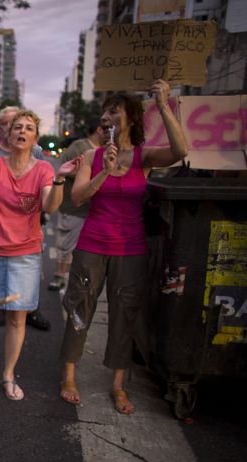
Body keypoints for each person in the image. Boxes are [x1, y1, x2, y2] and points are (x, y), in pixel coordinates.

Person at [58, 80, 188, 414]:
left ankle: (118, 384)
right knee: (79, 307)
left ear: (130, 118)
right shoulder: (92, 156)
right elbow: (78, 197)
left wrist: (163, 104)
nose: (105, 118)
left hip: (130, 249)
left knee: (125, 314)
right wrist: (105, 171)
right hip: (92, 245)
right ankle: (69, 376)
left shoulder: (145, 156)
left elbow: (181, 150)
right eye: (104, 113)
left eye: (113, 112)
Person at [0, 111, 80, 398]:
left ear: (35, 138)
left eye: (28, 128)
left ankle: (8, 375)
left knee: (17, 319)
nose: (22, 131)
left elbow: (50, 207)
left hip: (25, 255)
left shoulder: (43, 170)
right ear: (8, 135)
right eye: (17, 128)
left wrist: (60, 180)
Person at [0, 106, 52, 331]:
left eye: (26, 127)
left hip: (27, 227)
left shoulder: (36, 153)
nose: (18, 130)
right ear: (3, 129)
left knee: (26, 283)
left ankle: (30, 310)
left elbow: (43, 185)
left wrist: (42, 213)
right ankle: (2, 308)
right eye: (9, 124)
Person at [48, 123, 104, 291]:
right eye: (108, 128)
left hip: (94, 209)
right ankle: (59, 275)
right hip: (73, 207)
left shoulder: (106, 150)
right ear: (99, 129)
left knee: (83, 249)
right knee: (66, 243)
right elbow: (64, 169)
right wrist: (86, 174)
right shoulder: (80, 146)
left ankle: (75, 279)